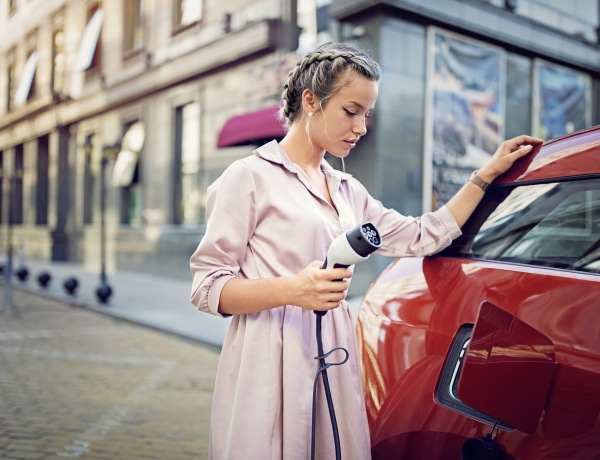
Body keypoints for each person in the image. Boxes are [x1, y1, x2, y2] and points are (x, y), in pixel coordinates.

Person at [189, 41, 543, 460]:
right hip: (269, 358)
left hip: (333, 354)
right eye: (350, 111)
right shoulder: (247, 177)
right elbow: (207, 288)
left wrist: (485, 175)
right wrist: (292, 290)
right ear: (311, 102)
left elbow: (423, 235)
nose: (361, 127)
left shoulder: (347, 189)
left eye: (367, 115)